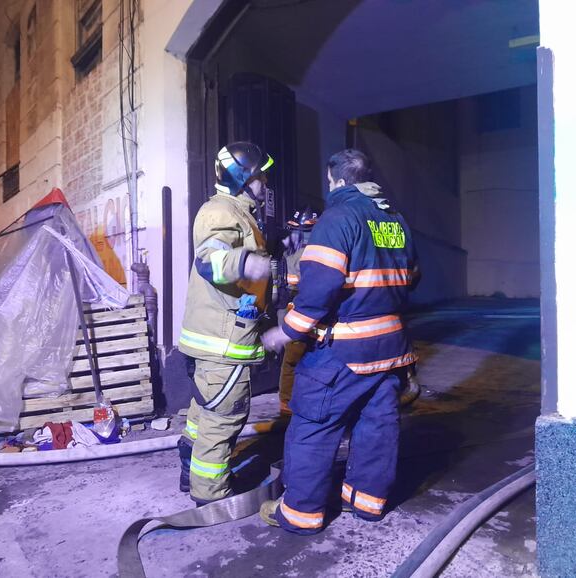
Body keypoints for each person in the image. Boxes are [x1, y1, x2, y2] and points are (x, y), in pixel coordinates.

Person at [259, 149, 420, 533]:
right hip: (391, 350)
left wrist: (286, 331)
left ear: (338, 180)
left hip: (343, 350)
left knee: (313, 425)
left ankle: (300, 514)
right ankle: (365, 505)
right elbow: (412, 275)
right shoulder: (395, 220)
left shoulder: (337, 218)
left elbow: (321, 288)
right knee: (377, 427)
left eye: (329, 182)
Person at [177, 142, 274, 505]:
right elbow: (210, 259)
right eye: (259, 176)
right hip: (223, 343)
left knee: (206, 411)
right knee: (224, 418)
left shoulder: (237, 211)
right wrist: (246, 263)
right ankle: (210, 495)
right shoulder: (221, 212)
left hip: (215, 339)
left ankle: (190, 468)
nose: (264, 183)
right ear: (241, 178)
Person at [277, 207, 318, 416]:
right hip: (298, 311)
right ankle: (287, 401)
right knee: (294, 356)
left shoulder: (294, 250)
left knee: (297, 357)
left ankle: (290, 400)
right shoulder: (304, 252)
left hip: (296, 311)